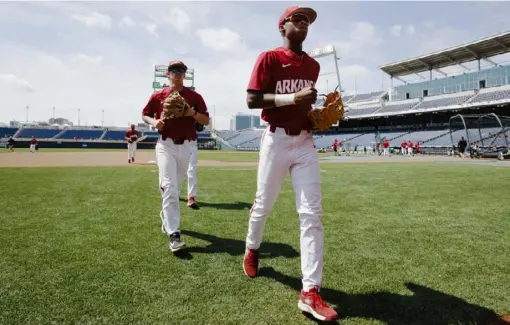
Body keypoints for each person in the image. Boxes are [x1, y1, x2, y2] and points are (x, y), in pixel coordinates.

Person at [242, 5, 338, 322]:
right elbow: (252, 99)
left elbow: (305, 105)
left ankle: (310, 291)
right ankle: (253, 248)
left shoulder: (312, 65)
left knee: (312, 215)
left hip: (305, 142)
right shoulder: (269, 58)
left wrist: (316, 112)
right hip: (276, 140)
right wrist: (291, 100)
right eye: (297, 19)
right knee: (262, 205)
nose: (303, 24)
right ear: (282, 27)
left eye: (307, 20)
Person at [141, 60, 210, 252]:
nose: (178, 73)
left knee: (175, 188)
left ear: (185, 74)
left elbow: (206, 119)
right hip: (166, 145)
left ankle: (166, 216)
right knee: (170, 188)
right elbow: (144, 114)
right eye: (174, 70)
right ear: (168, 74)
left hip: (187, 145)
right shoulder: (158, 96)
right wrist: (154, 122)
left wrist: (192, 112)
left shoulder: (194, 96)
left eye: (182, 70)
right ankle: (174, 234)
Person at [187, 136, 199, 209]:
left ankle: (191, 197)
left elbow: (200, 127)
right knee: (178, 171)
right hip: (175, 143)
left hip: (191, 142)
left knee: (191, 170)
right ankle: (176, 193)